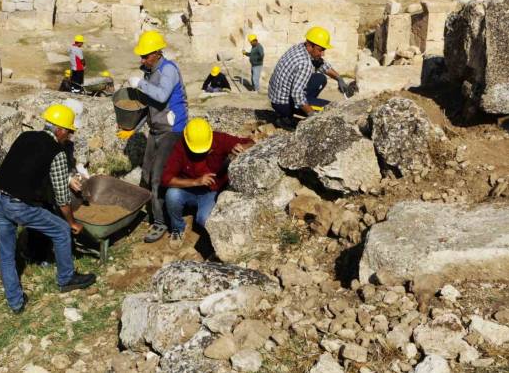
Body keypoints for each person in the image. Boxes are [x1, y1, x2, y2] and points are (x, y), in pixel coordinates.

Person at [0, 104, 96, 313]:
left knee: (7, 252)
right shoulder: (57, 152)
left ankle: (16, 303)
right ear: (60, 130)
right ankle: (66, 278)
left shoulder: (25, 136)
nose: (71, 136)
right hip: (17, 204)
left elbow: (21, 166)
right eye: (70, 131)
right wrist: (72, 222)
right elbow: (62, 198)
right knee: (61, 230)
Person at [126, 30, 189, 243]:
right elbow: (150, 106)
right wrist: (133, 128)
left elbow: (161, 96)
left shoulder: (168, 70)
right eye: (141, 56)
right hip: (156, 128)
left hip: (172, 129)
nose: (142, 60)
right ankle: (156, 212)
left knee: (158, 177)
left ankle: (164, 222)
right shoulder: (150, 70)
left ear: (157, 53)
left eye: (145, 56)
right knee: (146, 173)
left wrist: (140, 84)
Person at [161, 118, 254, 249]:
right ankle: (178, 228)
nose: (202, 153)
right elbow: (166, 179)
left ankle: (215, 244)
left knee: (203, 219)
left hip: (211, 191)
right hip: (189, 189)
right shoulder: (180, 147)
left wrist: (243, 147)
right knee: (172, 195)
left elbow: (251, 142)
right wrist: (195, 182)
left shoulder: (219, 139)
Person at [267, 26, 350, 127]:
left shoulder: (300, 47)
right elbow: (297, 94)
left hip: (276, 97)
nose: (323, 53)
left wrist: (338, 78)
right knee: (330, 108)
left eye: (323, 50)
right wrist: (312, 115)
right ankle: (287, 117)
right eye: (320, 50)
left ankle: (304, 103)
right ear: (310, 46)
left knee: (320, 78)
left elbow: (320, 64)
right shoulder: (304, 63)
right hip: (284, 104)